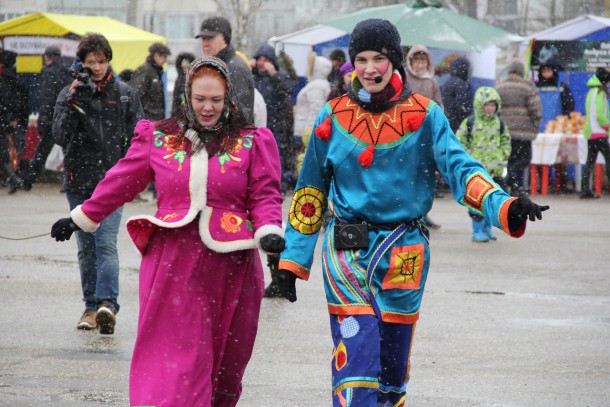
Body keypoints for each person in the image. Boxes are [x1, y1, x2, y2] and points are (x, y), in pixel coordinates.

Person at [274, 19, 549, 406]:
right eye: (362, 59)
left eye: (380, 58)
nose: (369, 68)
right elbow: (310, 192)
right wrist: (292, 261)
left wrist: (504, 205)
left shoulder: (426, 115)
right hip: (346, 255)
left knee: (391, 376)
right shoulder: (331, 118)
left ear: (396, 61)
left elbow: (461, 168)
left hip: (404, 252)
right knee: (357, 363)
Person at [51, 55, 285, 407]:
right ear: (186, 96)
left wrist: (269, 229)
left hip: (232, 267)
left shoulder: (253, 141)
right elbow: (121, 181)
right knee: (178, 363)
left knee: (225, 365)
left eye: (216, 100)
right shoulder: (159, 137)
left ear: (229, 99)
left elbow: (265, 193)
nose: (208, 108)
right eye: (200, 99)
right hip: (173, 264)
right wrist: (82, 216)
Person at [51, 32, 144, 334]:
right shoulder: (70, 92)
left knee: (105, 244)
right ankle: (90, 306)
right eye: (91, 62)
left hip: (112, 183)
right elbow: (60, 136)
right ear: (81, 62)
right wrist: (71, 101)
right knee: (85, 247)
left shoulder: (125, 93)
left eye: (101, 61)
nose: (97, 67)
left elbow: (140, 136)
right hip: (79, 180)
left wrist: (131, 173)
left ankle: (107, 305)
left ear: (108, 61)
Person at [456, 86, 511, 242]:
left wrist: (503, 155)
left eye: (493, 105)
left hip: (496, 170)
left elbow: (506, 140)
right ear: (480, 105)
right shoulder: (470, 122)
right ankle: (477, 230)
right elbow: (459, 142)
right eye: (487, 105)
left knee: (493, 201)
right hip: (477, 172)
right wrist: (467, 159)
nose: (490, 108)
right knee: (476, 201)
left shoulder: (499, 123)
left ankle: (488, 228)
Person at [20, 46, 72, 192]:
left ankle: (28, 180)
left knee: (42, 150)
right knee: (69, 149)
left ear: (47, 57)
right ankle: (69, 180)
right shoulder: (67, 70)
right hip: (67, 115)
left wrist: (43, 118)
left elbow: (47, 97)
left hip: (52, 117)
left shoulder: (50, 73)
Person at [251, 43, 296, 192]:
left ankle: (277, 184)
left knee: (275, 156)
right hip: (257, 125)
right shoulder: (253, 76)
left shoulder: (279, 75)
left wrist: (275, 74)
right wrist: (247, 67)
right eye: (259, 59)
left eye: (266, 59)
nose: (262, 63)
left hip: (276, 125)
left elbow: (289, 88)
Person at [496, 60, 542, 196]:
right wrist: (536, 124)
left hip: (505, 131)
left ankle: (513, 182)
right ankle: (516, 183)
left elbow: (495, 108)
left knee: (510, 158)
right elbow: (536, 109)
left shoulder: (500, 86)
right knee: (524, 158)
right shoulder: (528, 85)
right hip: (523, 132)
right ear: (521, 71)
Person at [196, 15, 254, 123]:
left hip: (229, 138)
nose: (205, 44)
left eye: (210, 38)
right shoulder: (217, 66)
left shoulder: (234, 68)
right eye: (203, 39)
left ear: (224, 38)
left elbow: (238, 115)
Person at [535, 61, 575, 192]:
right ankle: (543, 184)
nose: (546, 74)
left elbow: (569, 105)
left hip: (558, 129)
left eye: (549, 71)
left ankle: (563, 183)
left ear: (554, 72)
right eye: (544, 71)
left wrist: (566, 120)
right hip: (539, 130)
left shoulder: (562, 87)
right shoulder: (535, 87)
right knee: (540, 159)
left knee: (561, 158)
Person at [0, 53, 30, 194]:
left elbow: (8, 101)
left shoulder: (6, 80)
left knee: (8, 153)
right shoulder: (16, 79)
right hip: (15, 120)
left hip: (8, 121)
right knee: (13, 153)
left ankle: (14, 180)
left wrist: (11, 117)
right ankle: (14, 180)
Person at [580, 67, 610, 199]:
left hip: (590, 132)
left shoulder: (591, 92)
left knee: (589, 161)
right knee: (608, 159)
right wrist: (607, 126)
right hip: (599, 132)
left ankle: (585, 189)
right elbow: (600, 114)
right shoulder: (600, 93)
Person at [293, 52, 331, 142]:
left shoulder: (316, 86)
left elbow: (315, 111)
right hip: (306, 130)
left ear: (317, 69)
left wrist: (309, 134)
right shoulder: (320, 84)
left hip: (305, 132)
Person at [129, 42, 171, 121]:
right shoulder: (145, 71)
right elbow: (135, 95)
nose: (165, 60)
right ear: (156, 55)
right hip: (147, 121)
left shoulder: (156, 72)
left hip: (155, 120)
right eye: (164, 56)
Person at [405, 44, 443, 108]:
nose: (420, 66)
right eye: (417, 62)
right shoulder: (404, 78)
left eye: (423, 62)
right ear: (410, 62)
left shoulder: (432, 82)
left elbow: (438, 107)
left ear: (428, 63)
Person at [441, 56, 473, 132]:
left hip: (448, 120)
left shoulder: (448, 81)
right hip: (457, 124)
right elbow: (462, 107)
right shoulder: (460, 83)